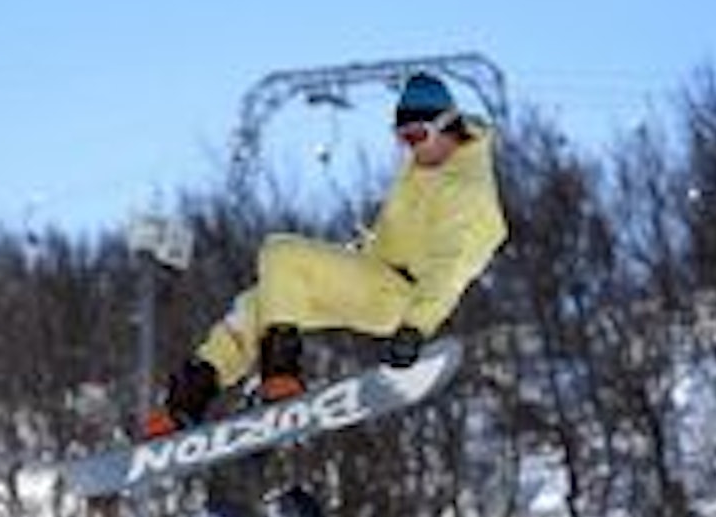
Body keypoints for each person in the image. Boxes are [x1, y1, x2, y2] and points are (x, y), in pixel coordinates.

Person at [144, 71, 508, 437]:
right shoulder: (426, 168)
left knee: (280, 253)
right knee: (262, 300)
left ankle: (281, 376)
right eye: (402, 137)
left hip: (404, 297)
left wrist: (416, 327)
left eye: (417, 136)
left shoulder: (467, 193)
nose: (411, 147)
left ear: (448, 125)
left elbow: (448, 271)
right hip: (377, 276)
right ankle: (186, 401)